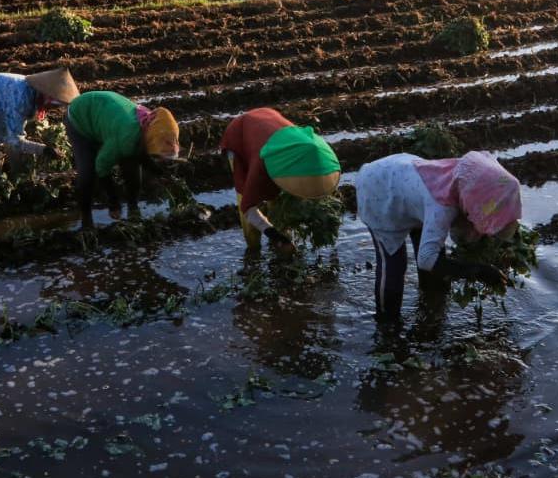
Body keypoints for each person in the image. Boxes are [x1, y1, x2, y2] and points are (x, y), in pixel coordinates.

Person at [356, 152, 521, 322]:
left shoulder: (467, 181)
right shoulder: (443, 207)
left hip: (407, 185)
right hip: (379, 191)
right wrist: (477, 271)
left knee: (436, 269)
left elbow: (497, 206)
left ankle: (431, 309)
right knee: (394, 265)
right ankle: (387, 323)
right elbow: (426, 259)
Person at [220, 108, 341, 254]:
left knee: (277, 202)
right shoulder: (260, 166)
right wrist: (277, 237)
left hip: (268, 120)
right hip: (239, 135)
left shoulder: (309, 149)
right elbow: (248, 209)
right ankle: (253, 249)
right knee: (247, 196)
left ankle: (278, 230)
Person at [64, 91, 180, 230]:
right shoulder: (125, 138)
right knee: (88, 172)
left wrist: (160, 174)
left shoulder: (150, 127)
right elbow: (101, 166)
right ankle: (86, 220)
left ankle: (133, 208)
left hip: (107, 113)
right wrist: (114, 202)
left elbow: (142, 155)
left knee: (132, 164)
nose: (159, 157)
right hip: (80, 116)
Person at [0, 68, 80, 186]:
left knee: (0, 139)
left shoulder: (33, 92)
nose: (52, 109)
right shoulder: (22, 98)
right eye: (54, 105)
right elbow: (16, 141)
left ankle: (5, 179)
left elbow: (14, 134)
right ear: (48, 96)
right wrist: (44, 150)